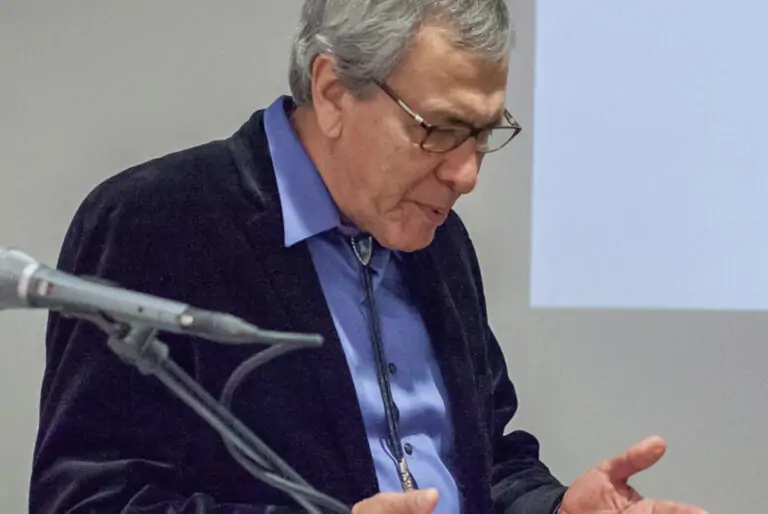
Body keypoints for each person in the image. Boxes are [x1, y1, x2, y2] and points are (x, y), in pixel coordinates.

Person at [29, 1, 707, 513]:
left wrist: (555, 508)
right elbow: (86, 498)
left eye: (483, 134)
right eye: (440, 130)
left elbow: (484, 462)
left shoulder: (437, 238)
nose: (467, 174)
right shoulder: (158, 221)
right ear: (332, 93)